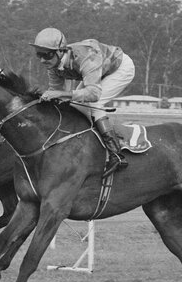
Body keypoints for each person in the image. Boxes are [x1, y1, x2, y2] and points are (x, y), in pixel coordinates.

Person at [29, 27, 136, 177]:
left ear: (61, 51)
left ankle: (116, 155)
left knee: (93, 105)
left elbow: (93, 94)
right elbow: (56, 92)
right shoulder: (53, 66)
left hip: (119, 68)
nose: (42, 60)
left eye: (46, 55)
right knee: (74, 105)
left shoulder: (85, 57)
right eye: (38, 54)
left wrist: (62, 94)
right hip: (98, 72)